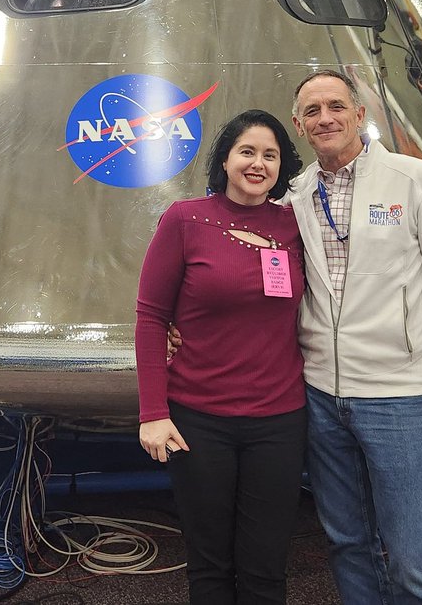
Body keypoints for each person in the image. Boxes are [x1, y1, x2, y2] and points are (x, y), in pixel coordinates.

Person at [171, 70, 422, 605]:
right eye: (313, 111)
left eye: (336, 106)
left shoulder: (416, 181)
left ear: (359, 113)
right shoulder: (292, 197)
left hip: (396, 395)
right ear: (299, 125)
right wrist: (180, 329)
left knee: (412, 549)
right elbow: (242, 277)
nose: (326, 118)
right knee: (347, 543)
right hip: (318, 395)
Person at [135, 109, 307, 605]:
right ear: (226, 160)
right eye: (247, 152)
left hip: (279, 420)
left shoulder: (295, 226)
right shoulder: (186, 219)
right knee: (210, 565)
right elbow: (150, 317)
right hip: (198, 420)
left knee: (267, 567)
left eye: (270, 155)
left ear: (282, 166)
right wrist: (153, 412)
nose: (258, 164)